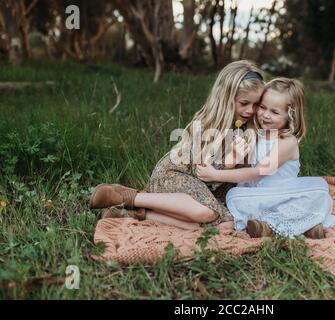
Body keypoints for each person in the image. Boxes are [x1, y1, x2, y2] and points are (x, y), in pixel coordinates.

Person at [89, 60, 265, 231]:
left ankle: (135, 214)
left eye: (256, 104)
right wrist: (229, 164)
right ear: (226, 98)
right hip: (175, 177)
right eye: (244, 103)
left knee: (227, 225)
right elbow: (204, 176)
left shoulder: (246, 129)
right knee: (208, 213)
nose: (250, 110)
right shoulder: (208, 125)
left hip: (199, 192)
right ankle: (129, 197)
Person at [196, 78, 335, 238]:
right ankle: (295, 226)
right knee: (235, 196)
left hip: (283, 196)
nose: (265, 115)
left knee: (319, 189)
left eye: (274, 112)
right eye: (262, 107)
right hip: (257, 198)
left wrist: (215, 175)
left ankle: (274, 225)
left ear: (290, 116)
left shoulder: (287, 142)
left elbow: (259, 171)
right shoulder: (253, 134)